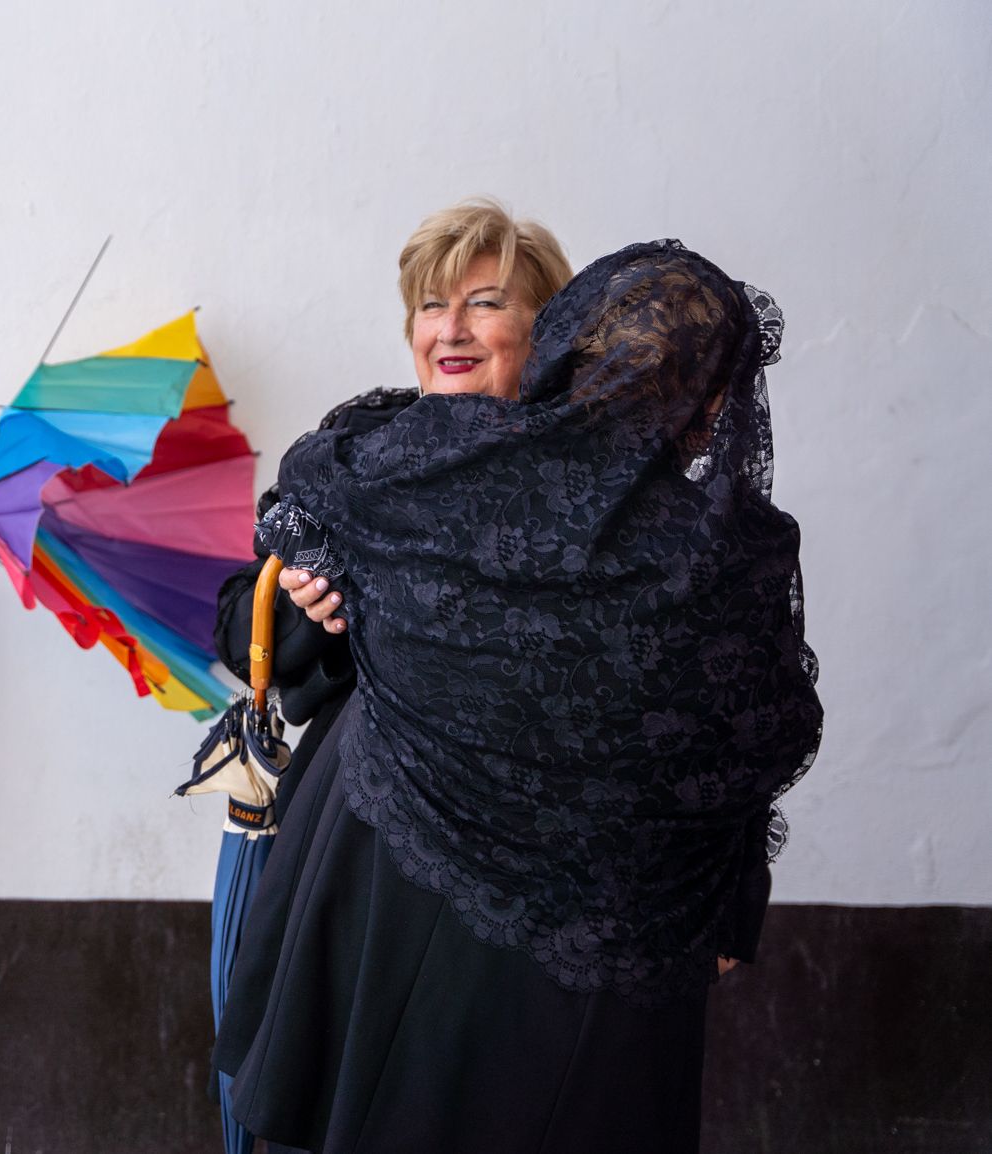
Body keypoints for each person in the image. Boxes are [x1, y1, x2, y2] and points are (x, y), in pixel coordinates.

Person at [210, 200, 821, 1153]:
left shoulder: (672, 534)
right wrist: (301, 601)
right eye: (427, 306)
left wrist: (731, 900)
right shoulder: (388, 460)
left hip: (585, 933)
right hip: (384, 872)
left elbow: (720, 740)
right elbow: (239, 626)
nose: (447, 328)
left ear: (551, 340)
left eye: (483, 304)